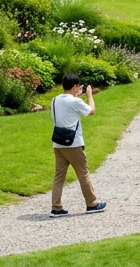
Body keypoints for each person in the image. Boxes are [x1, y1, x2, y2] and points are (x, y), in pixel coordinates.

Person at [49, 73, 105, 216]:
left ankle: (56, 207)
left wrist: (77, 96)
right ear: (75, 86)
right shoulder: (75, 102)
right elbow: (91, 111)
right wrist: (90, 96)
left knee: (59, 177)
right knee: (83, 173)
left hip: (58, 144)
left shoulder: (55, 100)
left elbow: (70, 107)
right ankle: (92, 203)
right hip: (73, 144)